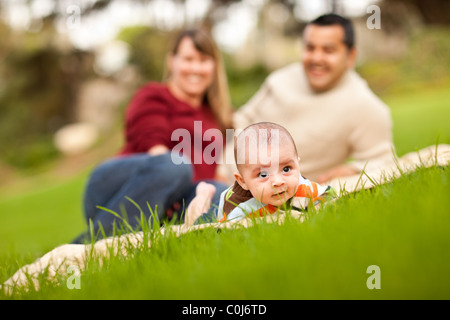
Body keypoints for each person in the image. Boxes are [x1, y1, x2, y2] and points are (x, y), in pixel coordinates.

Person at [72, 28, 234, 243]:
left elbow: (211, 171)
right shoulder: (154, 95)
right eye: (188, 59)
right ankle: (86, 246)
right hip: (117, 191)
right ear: (171, 61)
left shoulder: (216, 117)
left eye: (203, 60)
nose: (195, 67)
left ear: (214, 66)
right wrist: (177, 183)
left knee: (220, 192)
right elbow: (154, 147)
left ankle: (157, 240)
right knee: (175, 165)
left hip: (170, 204)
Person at [218, 13, 395, 185]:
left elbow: (384, 160)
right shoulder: (280, 79)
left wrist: (354, 169)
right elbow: (241, 120)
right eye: (310, 48)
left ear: (350, 57)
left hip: (261, 194)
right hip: (217, 167)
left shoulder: (364, 105)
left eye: (328, 50)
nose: (316, 58)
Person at [185, 122, 336, 226]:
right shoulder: (238, 210)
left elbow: (329, 197)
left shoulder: (304, 188)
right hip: (222, 207)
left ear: (298, 164)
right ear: (242, 181)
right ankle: (203, 196)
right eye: (263, 175)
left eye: (286, 169)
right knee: (195, 222)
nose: (278, 181)